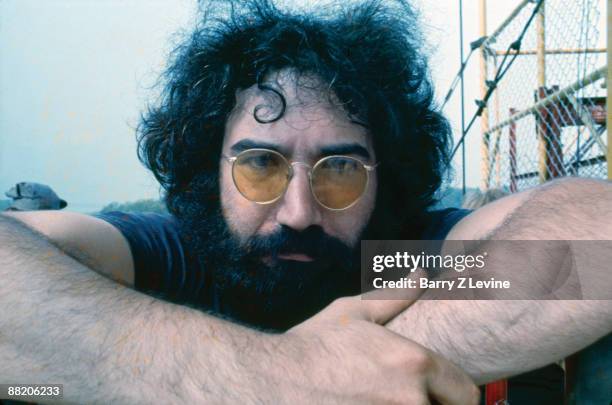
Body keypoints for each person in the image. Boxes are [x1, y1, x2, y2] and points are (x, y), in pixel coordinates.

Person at [1, 1, 610, 403]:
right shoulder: (175, 256)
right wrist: (288, 378)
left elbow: (597, 245)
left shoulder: (395, 263)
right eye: (260, 164)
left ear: (384, 178)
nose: (298, 212)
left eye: (340, 168)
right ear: (206, 171)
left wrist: (367, 367)